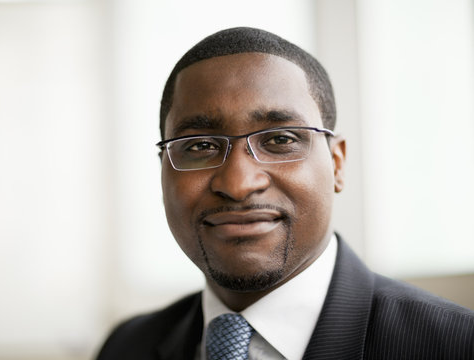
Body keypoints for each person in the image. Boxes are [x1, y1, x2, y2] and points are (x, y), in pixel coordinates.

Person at [96, 27, 474, 360]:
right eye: (199, 146)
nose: (238, 183)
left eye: (280, 140)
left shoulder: (455, 345)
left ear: (337, 163)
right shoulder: (126, 347)